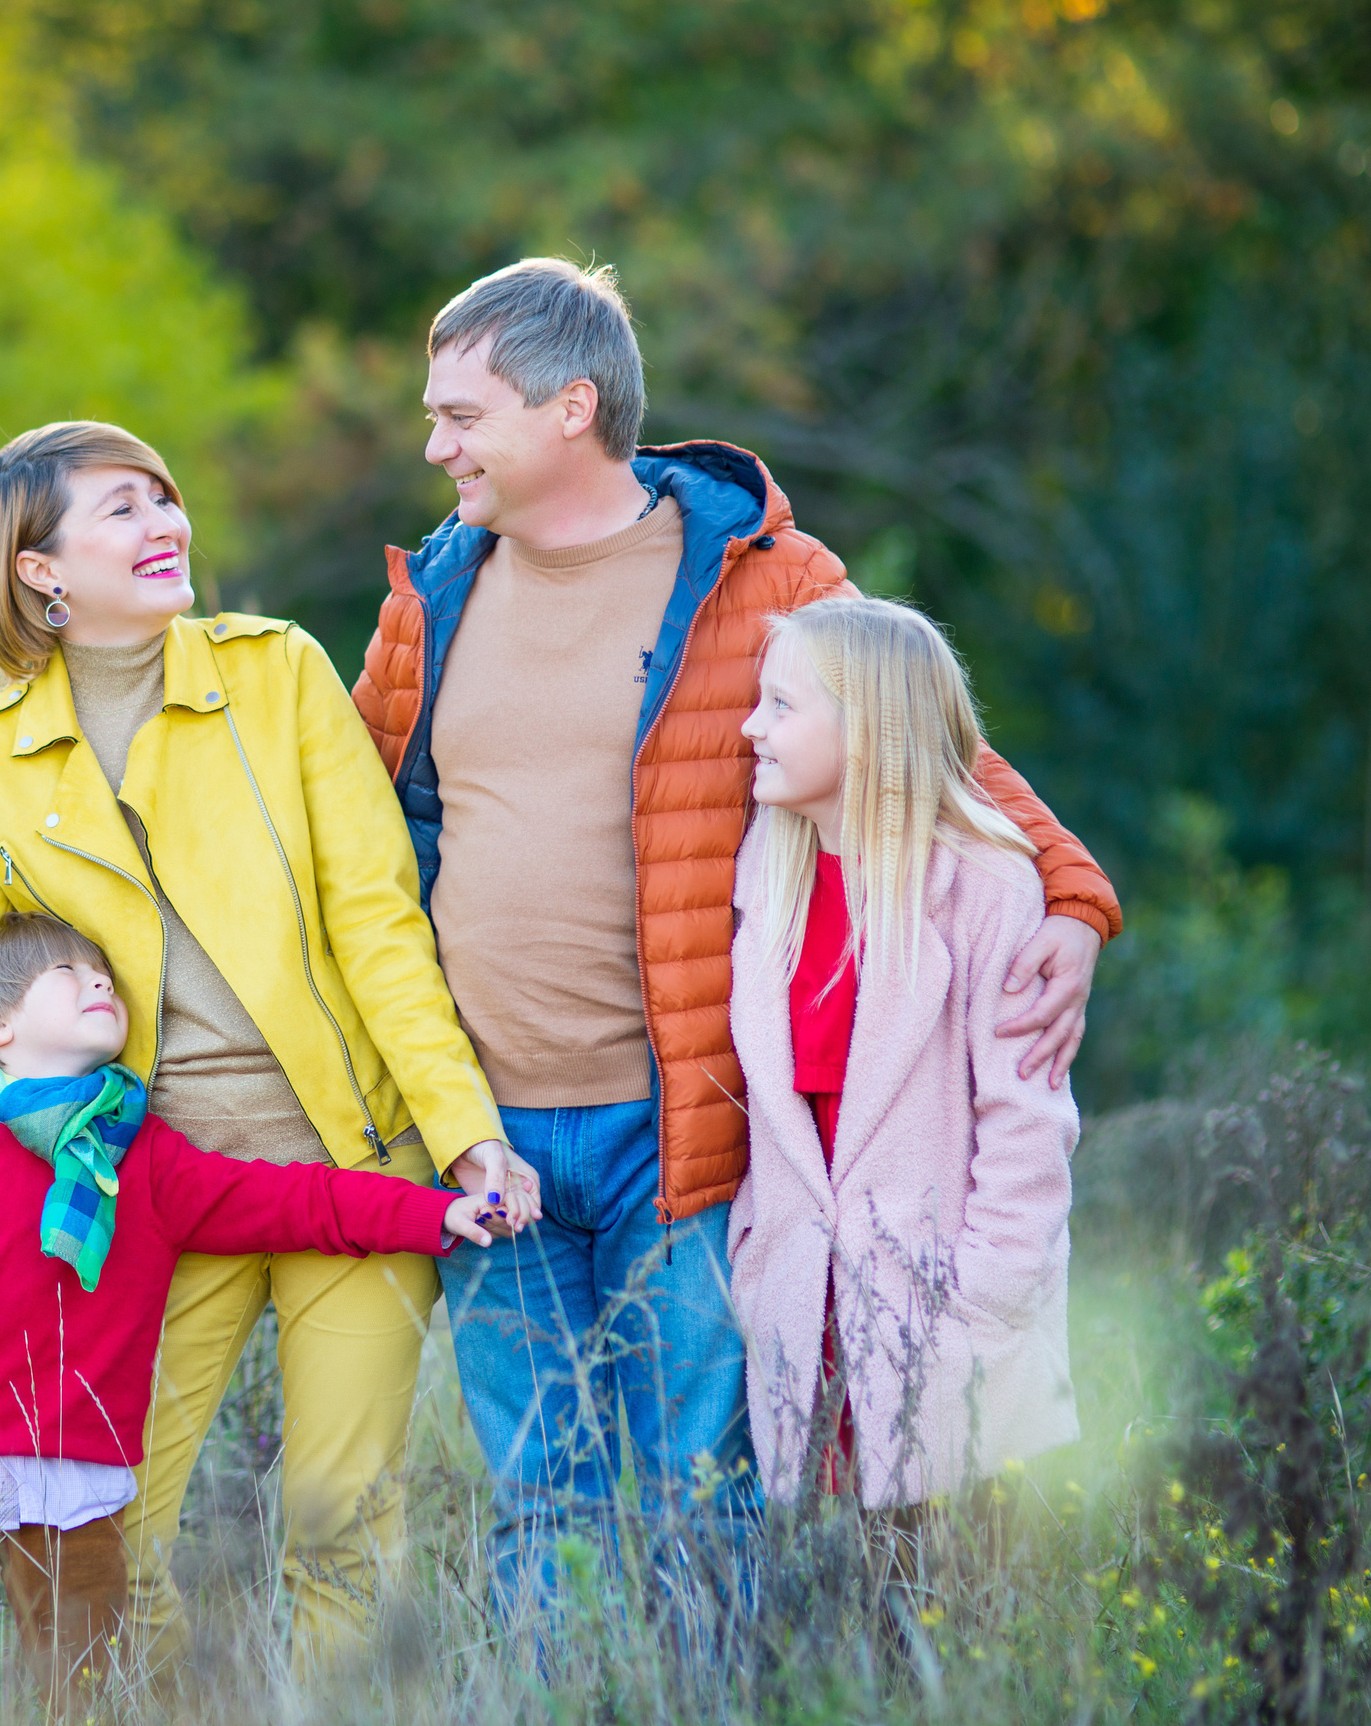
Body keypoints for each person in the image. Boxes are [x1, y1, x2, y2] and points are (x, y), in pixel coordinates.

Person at [348, 259, 1118, 1606]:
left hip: (686, 1124)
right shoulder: (435, 594)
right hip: (481, 1130)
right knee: (539, 1496)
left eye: (463, 416)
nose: (435, 446)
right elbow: (348, 819)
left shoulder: (761, 574)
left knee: (703, 1498)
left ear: (571, 405)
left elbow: (918, 734)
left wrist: (1070, 889)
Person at [0, 419, 540, 1671]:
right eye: (121, 509)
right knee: (116, 1541)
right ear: (38, 569)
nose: (168, 523)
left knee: (343, 1534)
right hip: (138, 1195)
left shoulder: (278, 674)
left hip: (353, 1162)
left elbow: (377, 924)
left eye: (165, 496)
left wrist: (464, 1132)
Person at [0, 911, 499, 1697]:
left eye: (104, 971)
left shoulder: (149, 1158)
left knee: (85, 1689)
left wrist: (429, 1213)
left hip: (74, 1481)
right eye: (66, 972)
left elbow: (294, 1198)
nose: (100, 979)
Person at [726, 597, 1079, 1515]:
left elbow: (1026, 1121)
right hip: (811, 1318)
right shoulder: (769, 867)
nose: (749, 726)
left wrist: (984, 1303)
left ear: (867, 724)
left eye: (779, 706)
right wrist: (757, 1250)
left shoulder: (986, 883)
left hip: (949, 1327)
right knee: (842, 1617)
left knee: (956, 1611)